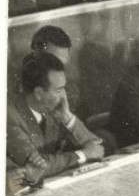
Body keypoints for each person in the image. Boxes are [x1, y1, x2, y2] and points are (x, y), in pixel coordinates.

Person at [6, 52, 104, 182]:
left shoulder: (53, 109)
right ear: (39, 93)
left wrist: (67, 117)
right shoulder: (10, 116)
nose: (63, 96)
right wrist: (83, 155)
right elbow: (37, 167)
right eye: (58, 90)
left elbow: (96, 146)